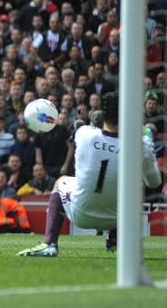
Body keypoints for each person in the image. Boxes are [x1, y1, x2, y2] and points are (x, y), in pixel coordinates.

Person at [18, 92, 161, 257]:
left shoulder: (84, 135)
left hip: (81, 215)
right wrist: (147, 143)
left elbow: (83, 127)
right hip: (119, 219)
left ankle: (49, 243)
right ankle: (115, 239)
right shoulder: (141, 147)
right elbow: (154, 182)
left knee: (61, 181)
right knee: (127, 184)